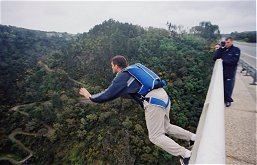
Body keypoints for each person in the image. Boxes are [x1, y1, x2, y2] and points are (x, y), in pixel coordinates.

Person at [79, 55, 196, 165]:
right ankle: (193, 138)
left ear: (116, 65)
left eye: (111, 65)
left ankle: (185, 155)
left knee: (155, 136)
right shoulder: (134, 70)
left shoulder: (122, 76)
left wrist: (90, 97)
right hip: (162, 95)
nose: (111, 67)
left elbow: (106, 95)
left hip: (153, 101)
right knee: (166, 127)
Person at [213, 37, 240, 107]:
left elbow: (234, 61)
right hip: (222, 71)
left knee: (228, 87)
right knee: (221, 87)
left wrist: (223, 61)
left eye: (228, 42)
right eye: (225, 42)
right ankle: (222, 99)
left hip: (230, 72)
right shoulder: (223, 49)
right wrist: (220, 48)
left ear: (232, 42)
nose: (226, 44)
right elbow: (215, 57)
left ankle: (228, 100)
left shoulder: (236, 50)